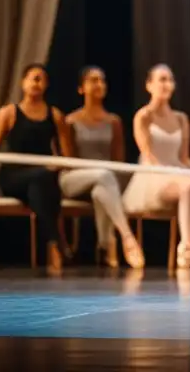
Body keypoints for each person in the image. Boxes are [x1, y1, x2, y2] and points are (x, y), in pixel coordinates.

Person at [59, 66, 144, 268]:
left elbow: (118, 160)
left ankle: (106, 246)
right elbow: (69, 159)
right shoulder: (70, 120)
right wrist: (98, 173)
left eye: (102, 80)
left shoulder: (113, 121)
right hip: (74, 179)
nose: (99, 84)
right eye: (93, 80)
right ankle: (127, 237)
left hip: (106, 181)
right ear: (81, 88)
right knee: (103, 176)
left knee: (101, 190)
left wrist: (107, 176)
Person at [121, 65, 190, 269]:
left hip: (177, 172)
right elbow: (148, 155)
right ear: (149, 85)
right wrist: (174, 173)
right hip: (152, 175)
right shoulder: (143, 116)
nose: (167, 84)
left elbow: (183, 158)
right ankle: (186, 245)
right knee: (189, 184)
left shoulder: (181, 118)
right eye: (162, 79)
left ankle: (186, 243)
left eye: (170, 80)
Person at [0, 64, 70, 272]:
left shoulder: (55, 115)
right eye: (32, 78)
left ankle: (53, 244)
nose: (36, 82)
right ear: (23, 83)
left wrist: (57, 166)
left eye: (41, 78)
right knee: (42, 180)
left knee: (41, 185)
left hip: (43, 177)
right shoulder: (8, 113)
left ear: (46, 85)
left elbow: (68, 155)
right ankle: (57, 242)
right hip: (12, 176)